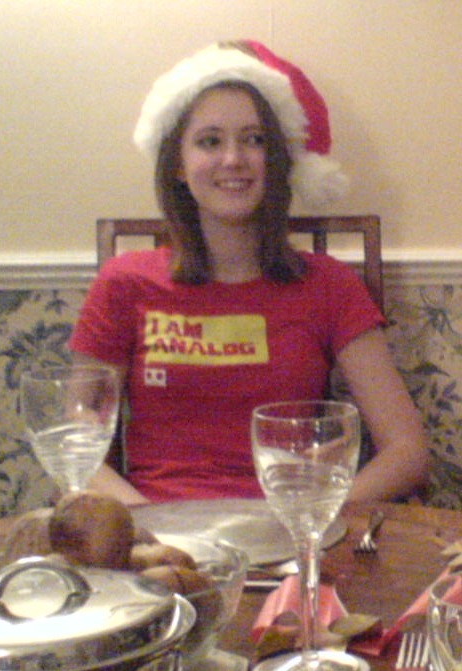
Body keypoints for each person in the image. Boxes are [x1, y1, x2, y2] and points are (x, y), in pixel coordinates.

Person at [69, 40, 429, 506]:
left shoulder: (330, 285)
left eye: (254, 139)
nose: (233, 159)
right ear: (178, 163)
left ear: (276, 160)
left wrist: (313, 522)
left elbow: (408, 452)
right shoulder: (124, 283)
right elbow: (76, 449)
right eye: (209, 140)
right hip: (160, 546)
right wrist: (152, 531)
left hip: (294, 537)